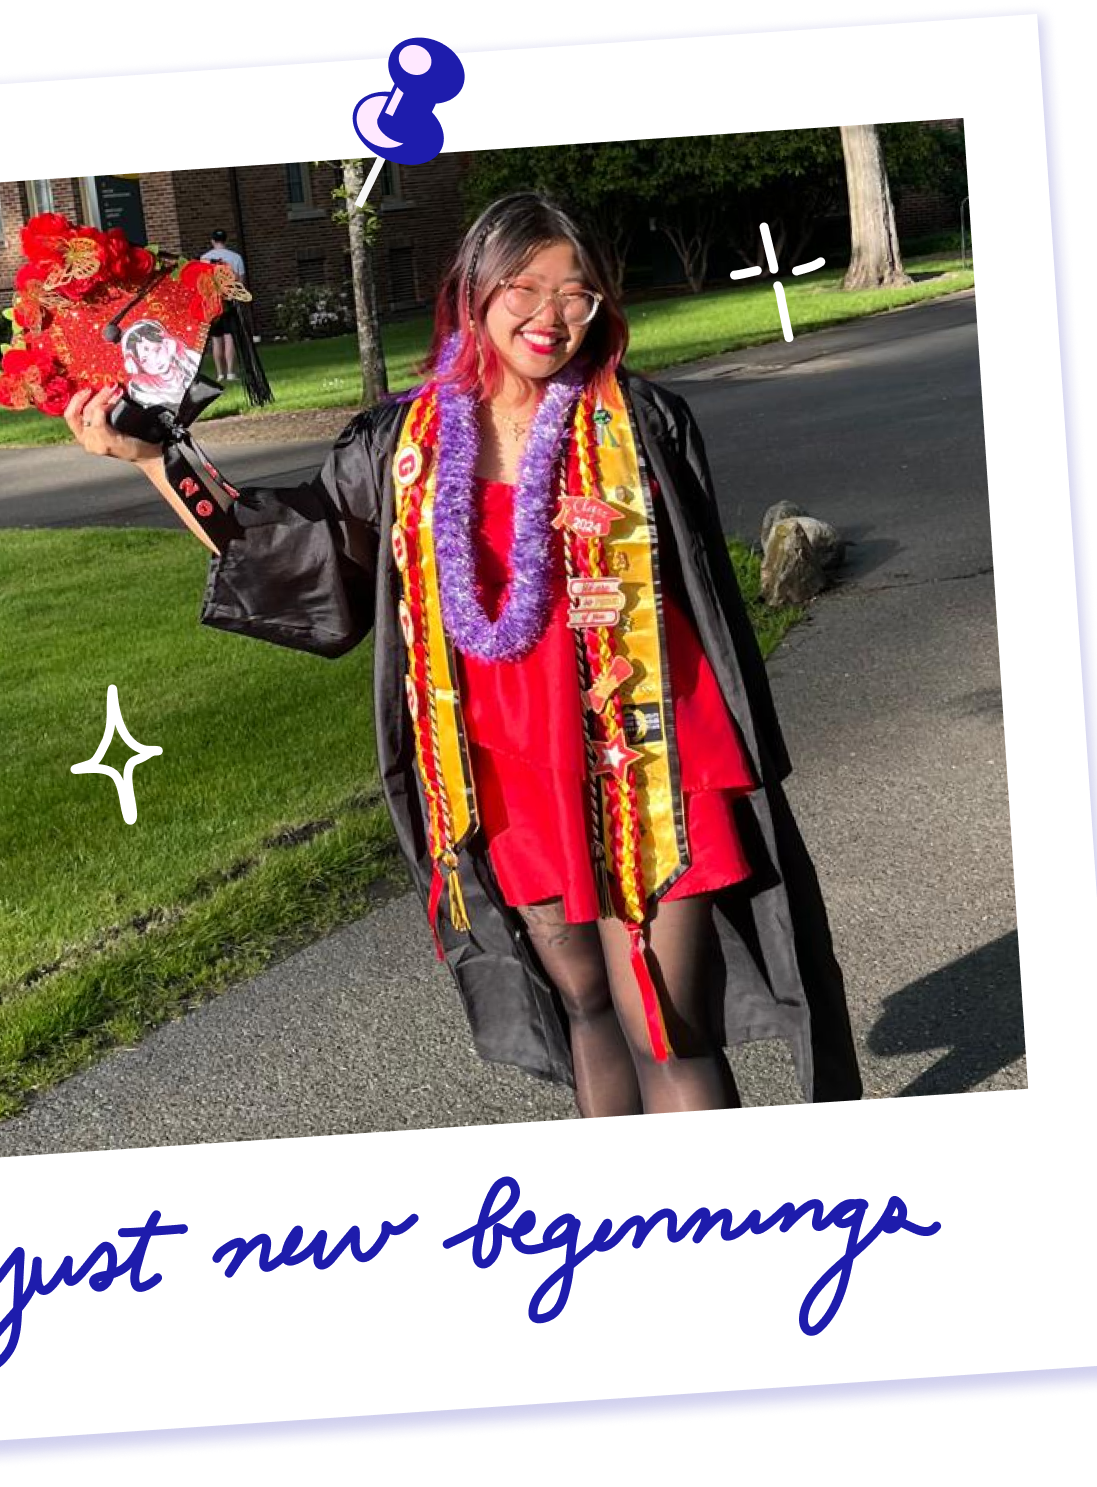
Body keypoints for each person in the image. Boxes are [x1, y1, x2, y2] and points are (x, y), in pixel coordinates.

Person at [66, 193, 862, 1117]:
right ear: (474, 292)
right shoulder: (402, 441)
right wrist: (151, 461)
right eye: (522, 286)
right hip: (500, 769)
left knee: (666, 1023)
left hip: (644, 753)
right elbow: (305, 552)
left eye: (576, 292)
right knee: (588, 1008)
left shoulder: (639, 425)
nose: (550, 314)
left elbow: (697, 593)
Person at [120, 319, 198, 411]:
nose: (155, 361)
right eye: (145, 360)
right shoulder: (144, 393)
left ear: (168, 344)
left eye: (157, 350)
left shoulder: (190, 361)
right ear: (135, 366)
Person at [201, 229, 247, 382]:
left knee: (216, 339)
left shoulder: (204, 259)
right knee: (229, 338)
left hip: (213, 304)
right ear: (225, 240)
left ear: (212, 241)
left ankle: (220, 374)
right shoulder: (236, 258)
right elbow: (240, 282)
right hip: (229, 302)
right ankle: (231, 373)